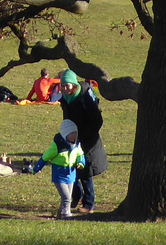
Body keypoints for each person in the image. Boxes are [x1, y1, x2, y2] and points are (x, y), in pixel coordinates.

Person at [58, 69, 107, 213]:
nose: (66, 88)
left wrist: (85, 136)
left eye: (68, 85)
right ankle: (76, 196)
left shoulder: (84, 97)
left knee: (85, 171)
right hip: (72, 138)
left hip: (87, 140)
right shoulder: (65, 99)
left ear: (74, 85)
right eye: (64, 85)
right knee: (70, 168)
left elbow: (97, 120)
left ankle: (89, 203)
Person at [27, 118, 85, 219]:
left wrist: (81, 162)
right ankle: (66, 215)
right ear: (65, 134)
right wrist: (36, 169)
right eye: (72, 133)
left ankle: (60, 215)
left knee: (67, 197)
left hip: (71, 175)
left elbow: (80, 155)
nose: (74, 136)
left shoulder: (77, 144)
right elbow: (45, 157)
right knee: (66, 198)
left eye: (75, 133)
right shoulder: (57, 146)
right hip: (59, 176)